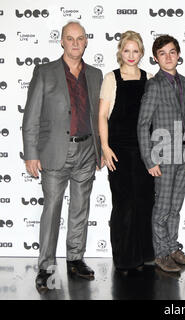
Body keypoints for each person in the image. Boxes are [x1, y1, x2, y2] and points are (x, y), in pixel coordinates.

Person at [22, 21, 103, 293]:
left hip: (86, 151)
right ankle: (45, 267)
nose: (76, 43)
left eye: (80, 38)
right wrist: (31, 153)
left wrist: (101, 149)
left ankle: (75, 260)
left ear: (86, 41)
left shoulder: (95, 74)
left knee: (80, 209)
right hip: (55, 152)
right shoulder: (44, 72)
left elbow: (98, 117)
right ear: (62, 41)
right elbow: (31, 115)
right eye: (70, 38)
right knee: (52, 210)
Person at [137, 35, 185, 273]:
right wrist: (149, 159)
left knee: (175, 206)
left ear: (179, 54)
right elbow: (143, 124)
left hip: (183, 155)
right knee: (162, 208)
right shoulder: (154, 85)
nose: (168, 57)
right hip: (162, 155)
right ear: (155, 58)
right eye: (162, 53)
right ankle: (161, 253)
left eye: (172, 52)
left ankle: (173, 248)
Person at [98, 31, 155, 276]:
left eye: (136, 51)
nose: (131, 56)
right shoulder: (111, 78)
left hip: (145, 150)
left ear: (141, 53)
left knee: (145, 202)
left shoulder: (150, 78)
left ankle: (145, 254)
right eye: (127, 50)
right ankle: (124, 258)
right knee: (124, 204)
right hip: (119, 150)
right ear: (120, 52)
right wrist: (105, 147)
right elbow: (102, 115)